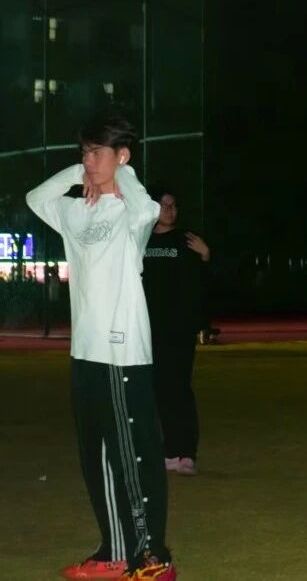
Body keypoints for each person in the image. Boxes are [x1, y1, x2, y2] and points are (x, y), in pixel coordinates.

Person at [27, 112, 175, 581]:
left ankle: (151, 557)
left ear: (121, 157)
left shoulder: (132, 214)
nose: (88, 160)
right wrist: (80, 174)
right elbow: (35, 198)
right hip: (85, 350)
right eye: (84, 153)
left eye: (96, 153)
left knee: (133, 456)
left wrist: (120, 173)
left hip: (123, 351)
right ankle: (114, 550)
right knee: (97, 458)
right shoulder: (76, 212)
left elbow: (149, 209)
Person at [142, 186, 210, 476]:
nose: (170, 210)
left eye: (173, 205)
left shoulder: (187, 240)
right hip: (148, 329)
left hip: (179, 329)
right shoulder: (141, 238)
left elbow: (200, 284)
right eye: (164, 205)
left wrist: (205, 257)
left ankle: (186, 453)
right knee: (157, 390)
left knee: (179, 389)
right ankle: (168, 451)